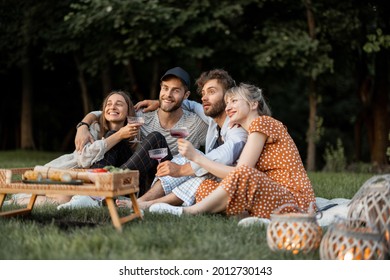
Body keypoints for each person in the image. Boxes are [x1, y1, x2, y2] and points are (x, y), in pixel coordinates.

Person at [148, 83, 316, 219]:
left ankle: (189, 212)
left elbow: (240, 172)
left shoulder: (263, 122)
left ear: (253, 104)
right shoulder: (250, 133)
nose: (228, 107)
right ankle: (242, 214)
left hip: (294, 201)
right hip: (268, 195)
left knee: (243, 172)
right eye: (227, 103)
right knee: (205, 187)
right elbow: (235, 176)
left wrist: (197, 157)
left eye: (234, 101)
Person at [5, 90, 168, 206]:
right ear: (103, 111)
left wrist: (159, 103)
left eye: (119, 104)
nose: (113, 107)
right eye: (109, 104)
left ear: (129, 112)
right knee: (113, 133)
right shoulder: (93, 129)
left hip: (122, 181)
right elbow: (83, 159)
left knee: (153, 137)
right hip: (92, 179)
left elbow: (168, 106)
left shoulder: (136, 128)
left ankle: (101, 194)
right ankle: (96, 196)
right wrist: (115, 135)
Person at [116, 69, 248, 210]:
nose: (204, 97)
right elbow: (191, 104)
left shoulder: (236, 127)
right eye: (203, 93)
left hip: (232, 185)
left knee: (190, 160)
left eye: (211, 91)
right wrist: (161, 102)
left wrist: (182, 169)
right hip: (209, 179)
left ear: (228, 97)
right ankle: (139, 201)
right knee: (188, 160)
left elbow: (225, 155)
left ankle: (140, 202)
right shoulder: (211, 121)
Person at [73, 67, 208, 198]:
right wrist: (83, 125)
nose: (168, 94)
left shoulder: (196, 124)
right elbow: (111, 113)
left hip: (162, 182)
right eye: (165, 88)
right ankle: (96, 188)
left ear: (186, 95)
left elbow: (217, 139)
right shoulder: (142, 116)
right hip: (138, 178)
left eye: (175, 90)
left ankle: (107, 184)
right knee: (113, 134)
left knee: (156, 138)